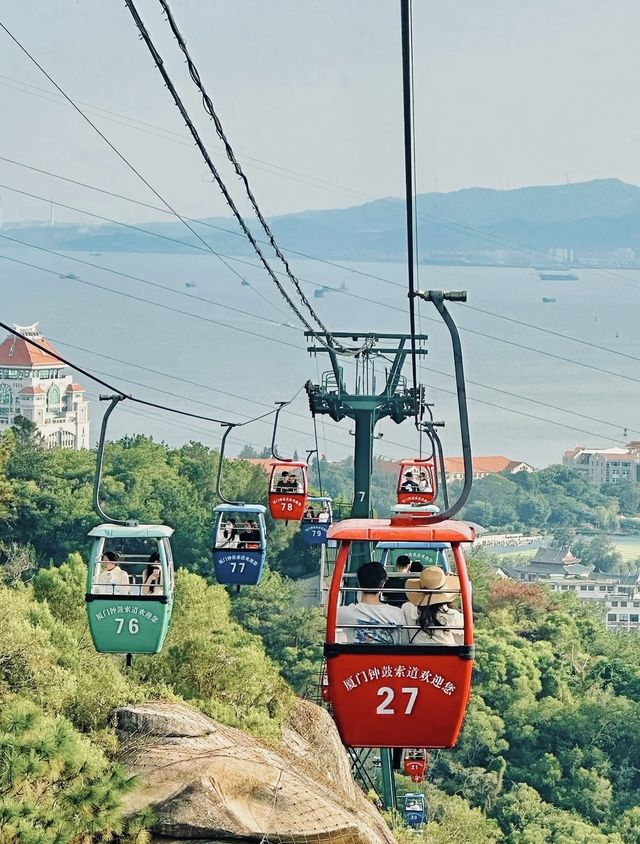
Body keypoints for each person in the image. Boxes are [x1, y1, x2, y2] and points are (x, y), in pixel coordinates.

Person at [337, 562, 405, 644]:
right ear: (383, 583)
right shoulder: (397, 613)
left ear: (358, 583)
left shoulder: (348, 613)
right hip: (388, 656)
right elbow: (403, 642)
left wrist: (333, 587)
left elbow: (328, 612)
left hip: (357, 656)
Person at [402, 566, 464, 645]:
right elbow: (463, 643)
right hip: (446, 655)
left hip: (417, 654)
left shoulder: (407, 608)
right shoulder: (454, 616)